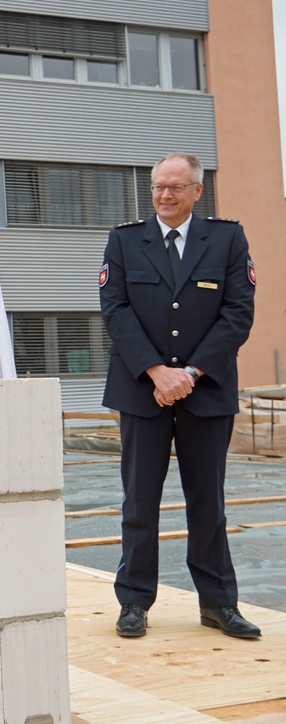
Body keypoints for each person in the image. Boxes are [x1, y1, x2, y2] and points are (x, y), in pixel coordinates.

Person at [99, 152, 259, 640]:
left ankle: (218, 605)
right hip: (140, 390)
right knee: (139, 502)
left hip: (205, 390)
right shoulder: (126, 240)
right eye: (158, 188)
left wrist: (188, 373)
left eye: (175, 187)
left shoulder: (227, 238)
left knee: (208, 502)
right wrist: (156, 372)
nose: (164, 196)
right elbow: (115, 310)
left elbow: (238, 313)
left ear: (196, 190)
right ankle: (133, 603)